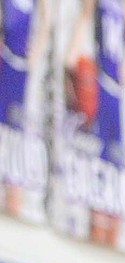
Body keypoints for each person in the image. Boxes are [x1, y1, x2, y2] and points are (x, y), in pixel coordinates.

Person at [65, 0, 125, 247]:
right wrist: (73, 64)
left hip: (114, 94)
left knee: (115, 172)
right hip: (97, 88)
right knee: (96, 172)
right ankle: (93, 237)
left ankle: (111, 242)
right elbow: (85, 20)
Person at [0, 0, 50, 216]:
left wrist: (35, 52)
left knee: (14, 152)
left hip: (18, 70)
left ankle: (14, 211)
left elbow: (47, 18)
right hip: (6, 60)